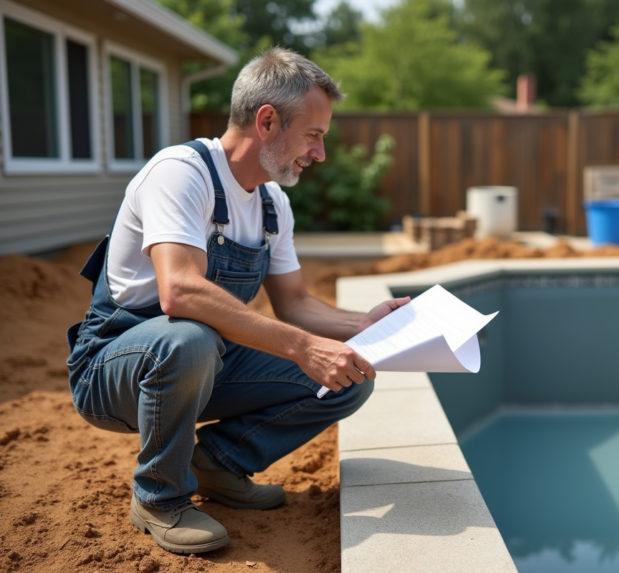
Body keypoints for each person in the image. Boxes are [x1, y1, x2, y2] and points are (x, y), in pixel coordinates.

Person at [65, 47, 408, 555]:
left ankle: (219, 464)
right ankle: (159, 496)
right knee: (189, 336)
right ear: (267, 120)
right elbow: (179, 290)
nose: (320, 153)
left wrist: (364, 324)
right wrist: (303, 349)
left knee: (347, 380)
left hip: (205, 360)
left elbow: (294, 304)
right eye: (313, 135)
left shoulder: (273, 205)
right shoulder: (181, 172)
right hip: (113, 370)